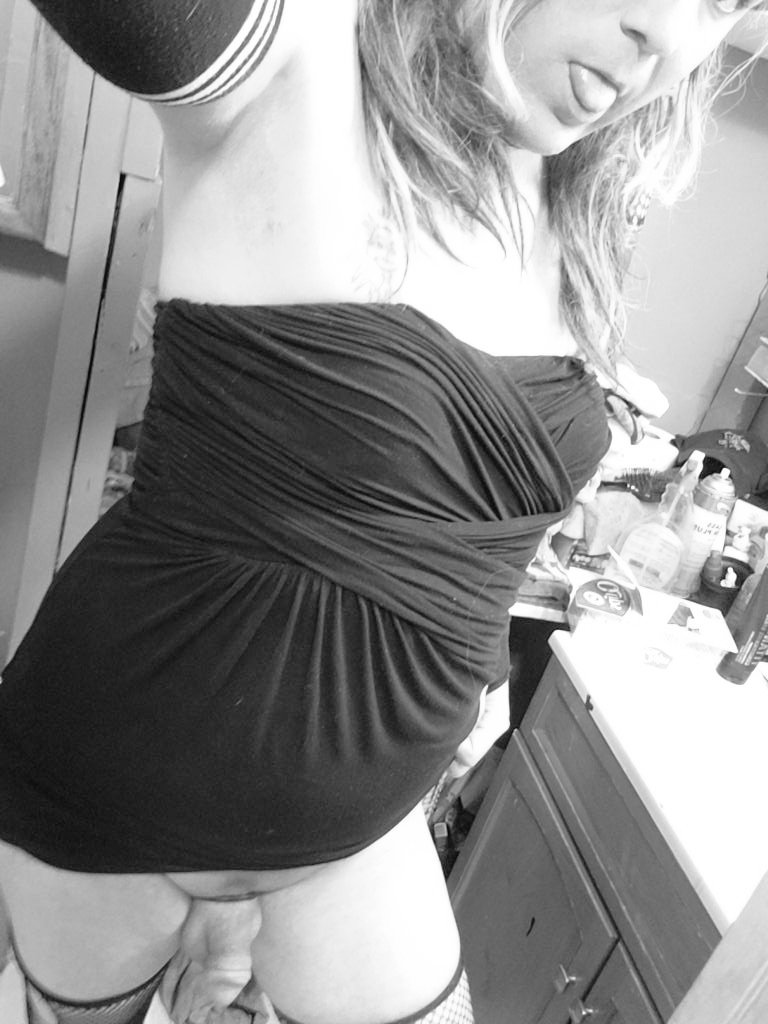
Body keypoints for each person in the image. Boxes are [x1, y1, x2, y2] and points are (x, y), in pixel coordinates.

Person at [0, 2, 762, 1022]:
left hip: (355, 837)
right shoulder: (294, 58)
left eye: (725, 5)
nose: (666, 39)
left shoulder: (572, 196)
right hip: (113, 780)